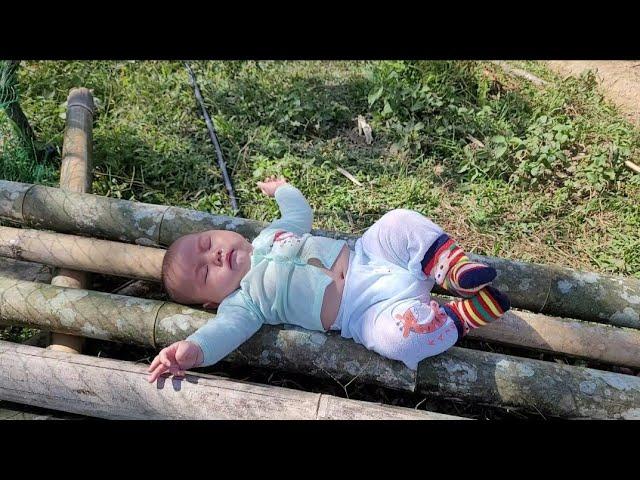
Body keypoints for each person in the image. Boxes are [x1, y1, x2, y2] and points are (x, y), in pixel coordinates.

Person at [147, 176, 509, 382]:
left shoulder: (270, 236)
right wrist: (192, 351)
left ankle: (453, 267)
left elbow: (299, 214)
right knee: (401, 343)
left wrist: (282, 190)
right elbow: (220, 334)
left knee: (398, 222)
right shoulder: (242, 303)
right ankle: (463, 316)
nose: (213, 255)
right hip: (365, 313)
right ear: (212, 301)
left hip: (370, 256)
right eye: (205, 271)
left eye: (207, 243)